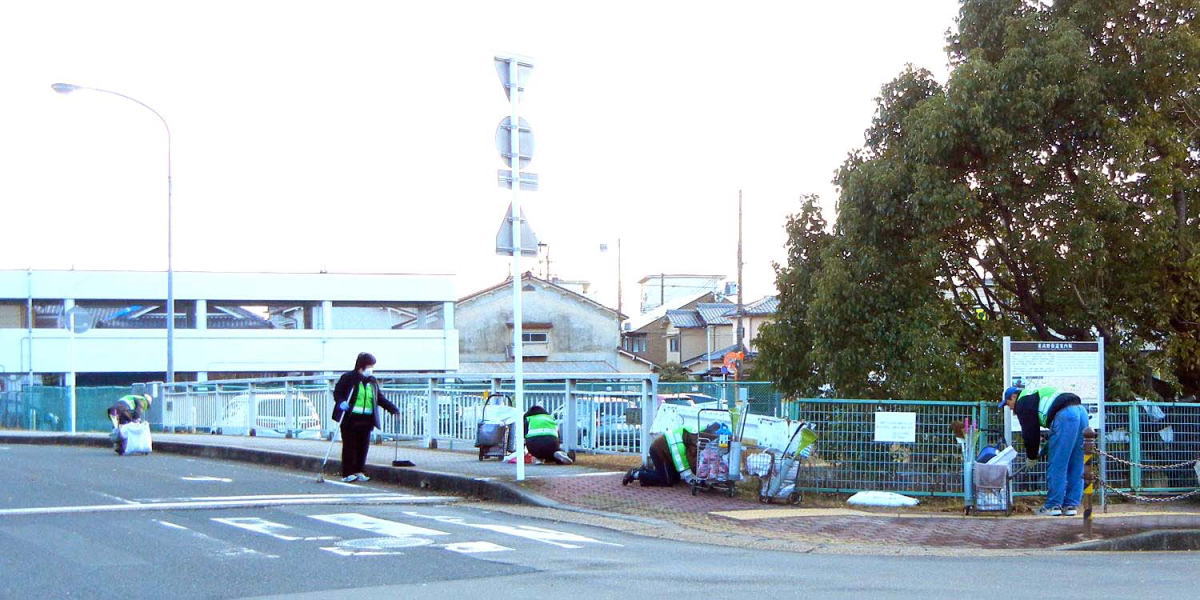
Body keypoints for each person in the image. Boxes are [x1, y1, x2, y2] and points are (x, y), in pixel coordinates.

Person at [1001, 385, 1088, 516]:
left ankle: (1053, 506)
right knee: (1076, 462)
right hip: (1081, 412)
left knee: (1058, 463)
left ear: (1013, 397)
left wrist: (1031, 456)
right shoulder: (1034, 394)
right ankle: (1070, 505)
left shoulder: (1022, 403)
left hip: (1065, 415)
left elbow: (1030, 434)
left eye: (1008, 404)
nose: (1010, 408)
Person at [332, 353, 399, 482]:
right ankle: (347, 473)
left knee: (363, 447)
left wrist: (393, 409)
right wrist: (341, 403)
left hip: (366, 419)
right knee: (349, 446)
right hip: (350, 418)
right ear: (362, 365)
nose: (371, 368)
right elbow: (338, 392)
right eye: (370, 365)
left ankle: (359, 470)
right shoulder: (348, 378)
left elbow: (379, 398)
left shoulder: (372, 381)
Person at [622, 422, 719, 487]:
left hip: (668, 453)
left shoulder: (692, 432)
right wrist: (690, 478)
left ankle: (646, 473)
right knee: (667, 480)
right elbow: (681, 463)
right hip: (659, 451)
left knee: (675, 478)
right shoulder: (680, 444)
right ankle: (636, 474)